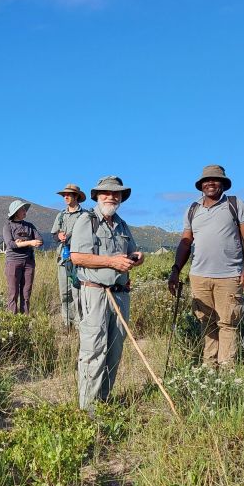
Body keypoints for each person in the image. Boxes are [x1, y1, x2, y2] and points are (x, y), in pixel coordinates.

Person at [168, 165, 244, 369]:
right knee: (206, 323)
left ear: (223, 184)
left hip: (230, 276)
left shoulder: (236, 204)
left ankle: (227, 372)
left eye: (216, 180)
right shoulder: (192, 209)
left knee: (228, 324)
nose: (211, 183)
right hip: (199, 276)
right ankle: (209, 368)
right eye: (206, 180)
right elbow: (185, 243)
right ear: (201, 185)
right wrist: (175, 271)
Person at [71, 176, 143, 410]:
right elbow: (77, 257)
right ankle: (87, 412)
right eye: (106, 193)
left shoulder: (122, 224)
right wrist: (111, 262)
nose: (111, 197)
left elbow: (130, 254)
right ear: (97, 196)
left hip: (121, 294)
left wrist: (138, 258)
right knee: (94, 349)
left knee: (114, 350)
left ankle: (103, 403)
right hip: (96, 293)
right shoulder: (86, 220)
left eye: (116, 193)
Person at [51, 183, 87, 327]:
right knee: (64, 293)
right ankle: (67, 324)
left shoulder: (85, 216)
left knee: (77, 294)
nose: (65, 197)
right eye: (64, 195)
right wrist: (59, 236)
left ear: (76, 196)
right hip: (63, 260)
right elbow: (54, 235)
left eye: (68, 194)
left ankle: (79, 324)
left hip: (79, 260)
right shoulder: (60, 216)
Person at [3, 199, 43, 314]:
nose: (25, 211)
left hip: (29, 262)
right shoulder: (8, 226)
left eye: (25, 209)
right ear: (16, 212)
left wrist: (21, 242)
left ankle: (24, 319)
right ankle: (12, 321)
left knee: (26, 293)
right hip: (13, 262)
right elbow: (11, 244)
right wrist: (29, 242)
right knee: (13, 292)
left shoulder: (30, 226)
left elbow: (40, 241)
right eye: (22, 209)